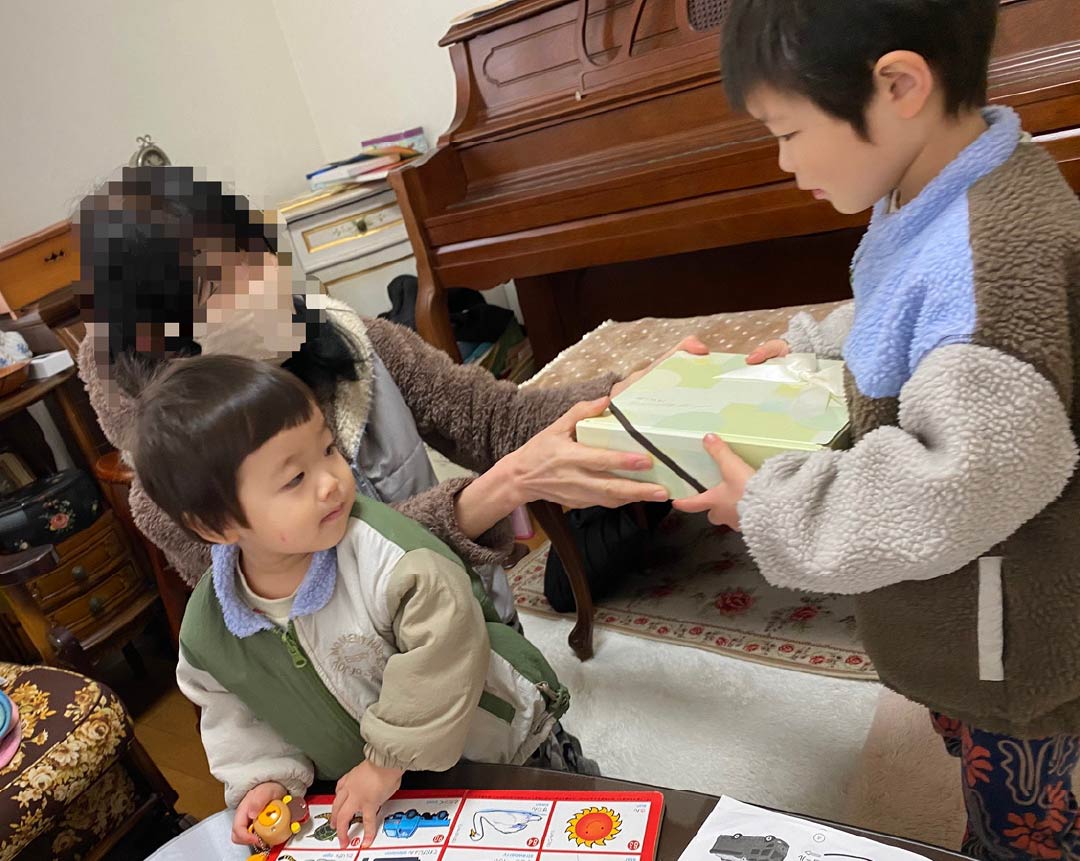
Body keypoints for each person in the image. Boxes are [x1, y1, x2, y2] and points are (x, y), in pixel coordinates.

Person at [676, 2, 1080, 859]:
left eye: (787, 132)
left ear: (898, 86)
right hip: (967, 616)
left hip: (1018, 643)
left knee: (1024, 815)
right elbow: (905, 308)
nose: (783, 161)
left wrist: (777, 506)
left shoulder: (992, 254)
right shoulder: (937, 182)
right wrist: (823, 346)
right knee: (971, 745)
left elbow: (958, 481)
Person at [75, 165, 706, 626]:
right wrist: (493, 493)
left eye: (254, 254)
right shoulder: (173, 488)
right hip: (371, 703)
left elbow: (492, 417)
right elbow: (308, 603)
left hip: (475, 620)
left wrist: (626, 394)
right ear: (158, 333)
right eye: (221, 282)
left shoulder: (355, 342)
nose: (264, 281)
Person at [134, 353, 587, 851]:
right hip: (391, 791)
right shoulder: (211, 632)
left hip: (498, 746)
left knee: (577, 825)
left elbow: (448, 646)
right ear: (216, 525)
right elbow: (236, 712)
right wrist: (266, 776)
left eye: (328, 449)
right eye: (295, 479)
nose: (331, 481)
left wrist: (385, 761)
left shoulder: (386, 554)